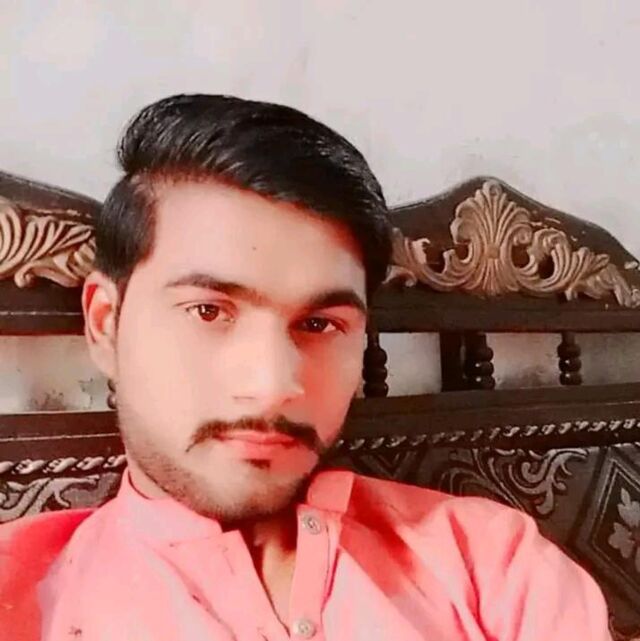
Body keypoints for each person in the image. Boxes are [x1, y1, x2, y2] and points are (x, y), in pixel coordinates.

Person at [0, 94, 612, 640]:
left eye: (320, 325)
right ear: (106, 323)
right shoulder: (22, 597)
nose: (274, 387)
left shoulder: (490, 566)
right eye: (209, 311)